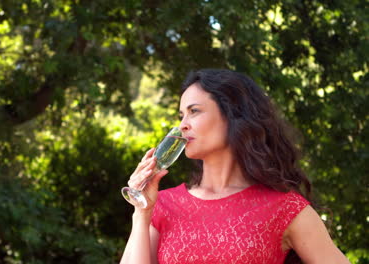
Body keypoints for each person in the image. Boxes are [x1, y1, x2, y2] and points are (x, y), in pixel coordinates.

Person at [120, 69, 350, 264]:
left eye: (194, 111)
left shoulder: (284, 209)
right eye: (181, 115)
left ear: (233, 115)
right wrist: (141, 212)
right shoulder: (163, 205)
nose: (182, 126)